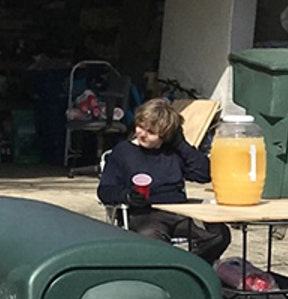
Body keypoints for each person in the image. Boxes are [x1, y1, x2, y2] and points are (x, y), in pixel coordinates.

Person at [96, 98, 230, 265]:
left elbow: (204, 174)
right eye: (140, 126)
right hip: (145, 213)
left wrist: (181, 144)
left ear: (165, 135)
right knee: (153, 240)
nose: (142, 134)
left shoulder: (172, 152)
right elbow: (105, 191)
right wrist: (127, 196)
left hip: (179, 211)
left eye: (151, 132)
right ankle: (175, 270)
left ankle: (191, 268)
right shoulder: (123, 152)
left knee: (219, 234)